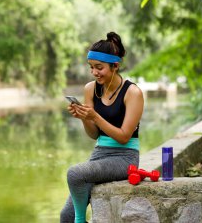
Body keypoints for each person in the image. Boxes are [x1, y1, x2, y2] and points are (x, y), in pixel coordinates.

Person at [60, 32, 144, 223]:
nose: (94, 72)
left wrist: (95, 116)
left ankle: (81, 221)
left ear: (115, 66)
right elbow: (94, 134)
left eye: (99, 67)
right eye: (91, 68)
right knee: (66, 216)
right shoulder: (91, 88)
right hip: (100, 155)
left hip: (125, 158)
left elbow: (124, 137)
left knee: (74, 173)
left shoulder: (133, 93)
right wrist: (83, 117)